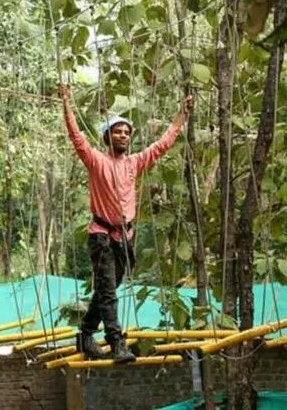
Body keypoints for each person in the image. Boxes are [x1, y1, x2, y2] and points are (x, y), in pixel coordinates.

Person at [59, 84, 192, 363]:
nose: (123, 135)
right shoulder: (96, 161)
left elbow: (162, 145)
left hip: (125, 237)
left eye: (126, 132)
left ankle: (84, 334)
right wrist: (67, 102)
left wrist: (181, 115)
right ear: (107, 137)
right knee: (108, 290)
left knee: (108, 287)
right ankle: (116, 342)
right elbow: (76, 136)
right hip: (102, 236)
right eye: (117, 131)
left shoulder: (133, 163)